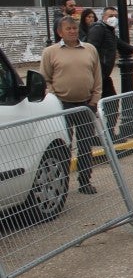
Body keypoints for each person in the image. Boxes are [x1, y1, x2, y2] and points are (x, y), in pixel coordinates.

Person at [40, 16, 103, 194]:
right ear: (60, 32)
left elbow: (97, 76)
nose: (73, 31)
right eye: (68, 29)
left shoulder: (90, 49)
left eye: (74, 28)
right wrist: (54, 99)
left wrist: (94, 100)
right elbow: (45, 79)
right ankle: (62, 185)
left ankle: (85, 181)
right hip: (62, 107)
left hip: (86, 105)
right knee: (63, 147)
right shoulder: (50, 52)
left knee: (85, 145)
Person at [85, 6, 133, 136]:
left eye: (115, 16)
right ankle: (96, 135)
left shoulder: (109, 31)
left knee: (110, 104)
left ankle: (108, 133)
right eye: (110, 16)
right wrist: (95, 72)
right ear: (103, 17)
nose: (113, 18)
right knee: (97, 105)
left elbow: (118, 42)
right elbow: (91, 49)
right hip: (97, 76)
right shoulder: (98, 29)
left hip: (104, 76)